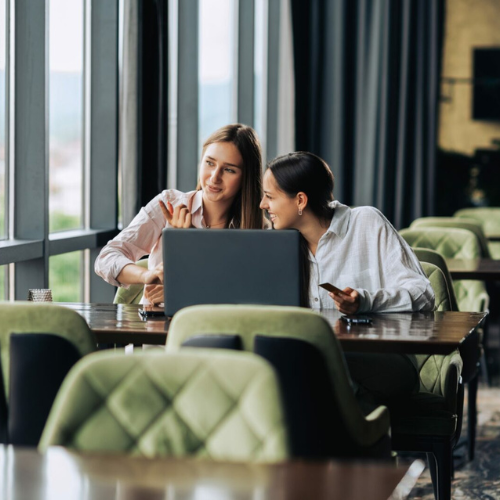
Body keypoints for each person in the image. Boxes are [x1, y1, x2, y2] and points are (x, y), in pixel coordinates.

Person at [259, 151, 435, 411]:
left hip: (386, 364)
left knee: (309, 363)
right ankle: (362, 437)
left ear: (300, 200)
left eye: (270, 197)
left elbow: (423, 295)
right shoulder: (279, 247)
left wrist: (365, 301)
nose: (263, 204)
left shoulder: (366, 223)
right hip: (319, 369)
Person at [95, 123, 266, 304]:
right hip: (156, 326)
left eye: (229, 169)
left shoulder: (258, 228)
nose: (214, 177)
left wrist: (183, 291)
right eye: (209, 163)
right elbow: (106, 258)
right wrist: (147, 275)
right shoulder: (170, 203)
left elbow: (253, 294)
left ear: (246, 177)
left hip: (220, 326)